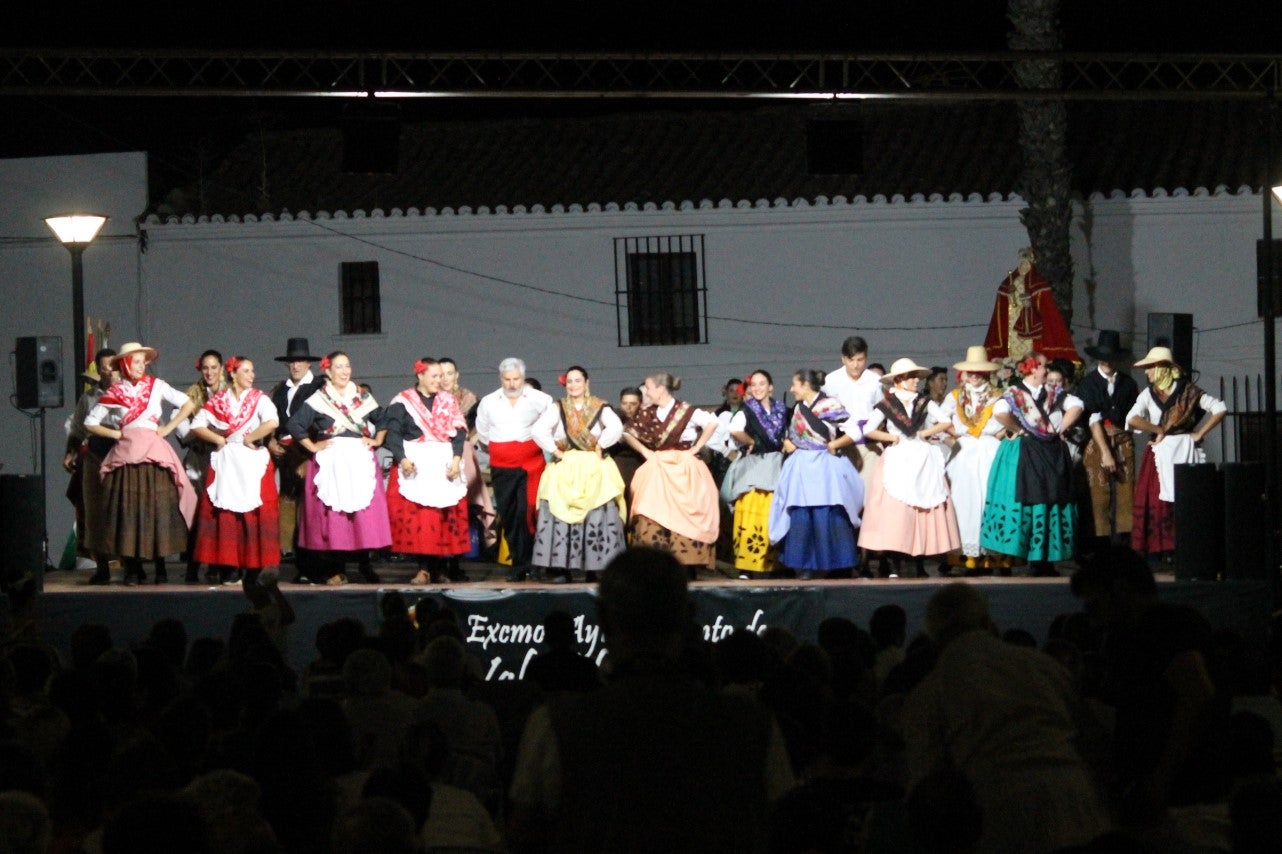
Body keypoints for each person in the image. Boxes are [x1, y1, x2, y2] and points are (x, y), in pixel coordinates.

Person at [507, 547, 795, 853]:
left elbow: (523, 837)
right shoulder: (754, 724)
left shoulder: (553, 725)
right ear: (688, 616)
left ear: (602, 620)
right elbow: (787, 833)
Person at [902, 583, 1112, 853]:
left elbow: (927, 786)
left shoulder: (929, 693)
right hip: (1077, 804)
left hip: (996, 813)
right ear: (989, 623)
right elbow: (1091, 738)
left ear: (934, 637)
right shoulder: (1042, 666)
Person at [83, 341, 198, 584]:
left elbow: (187, 404)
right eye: (135, 361)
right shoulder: (115, 392)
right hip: (126, 454)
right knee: (128, 513)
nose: (140, 366)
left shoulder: (157, 386)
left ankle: (161, 568)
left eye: (142, 361)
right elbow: (90, 422)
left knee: (159, 510)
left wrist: (167, 427)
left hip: (154, 452)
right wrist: (117, 434)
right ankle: (133, 569)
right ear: (125, 364)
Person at [286, 351, 392, 585]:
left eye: (347, 366)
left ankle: (366, 565)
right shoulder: (319, 399)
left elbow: (383, 419)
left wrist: (377, 440)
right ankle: (335, 569)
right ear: (328, 371)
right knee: (334, 517)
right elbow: (295, 424)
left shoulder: (361, 397)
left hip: (359, 458)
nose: (344, 371)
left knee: (362, 516)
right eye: (339, 367)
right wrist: (313, 446)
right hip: (331, 459)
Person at [980, 351, 1083, 575]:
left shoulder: (1053, 393)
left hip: (1049, 453)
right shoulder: (1016, 393)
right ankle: (1013, 558)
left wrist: (1058, 430)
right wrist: (1018, 429)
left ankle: (1043, 560)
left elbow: (1077, 406)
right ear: (1033, 368)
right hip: (1023, 452)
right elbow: (1000, 412)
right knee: (1022, 499)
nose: (1047, 370)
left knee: (1049, 500)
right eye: (1044, 366)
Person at [859, 358, 961, 576]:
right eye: (911, 377)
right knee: (896, 514)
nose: (916, 381)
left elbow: (945, 421)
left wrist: (924, 433)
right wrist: (890, 437)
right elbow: (868, 429)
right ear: (899, 380)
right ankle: (895, 562)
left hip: (921, 458)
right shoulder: (888, 403)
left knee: (921, 512)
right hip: (898, 458)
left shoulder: (924, 402)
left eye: (916, 377)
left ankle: (919, 563)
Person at [1126, 346, 1227, 561]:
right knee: (1156, 500)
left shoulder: (1189, 392)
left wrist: (1200, 432)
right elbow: (1132, 418)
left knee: (1185, 497)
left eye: (1150, 367)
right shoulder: (1148, 394)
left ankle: (1183, 546)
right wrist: (1158, 429)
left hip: (1183, 451)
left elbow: (1219, 408)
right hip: (1159, 453)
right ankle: (1158, 548)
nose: (1147, 372)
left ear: (1162, 368)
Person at [189, 355, 281, 587]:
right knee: (227, 516)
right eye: (246, 371)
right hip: (228, 459)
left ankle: (254, 566)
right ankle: (229, 567)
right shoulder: (219, 400)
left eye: (252, 371)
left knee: (253, 515)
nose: (252, 375)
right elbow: (197, 424)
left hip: (251, 460)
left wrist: (251, 436)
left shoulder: (259, 399)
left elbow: (272, 422)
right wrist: (219, 440)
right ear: (233, 374)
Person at [531, 365, 627, 582]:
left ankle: (594, 568)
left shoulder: (599, 406)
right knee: (560, 513)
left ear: (586, 383)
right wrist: (555, 451)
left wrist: (601, 445)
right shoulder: (558, 407)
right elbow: (538, 430)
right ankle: (562, 569)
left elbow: (616, 427)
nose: (574, 385)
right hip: (567, 464)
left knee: (596, 514)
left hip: (593, 465)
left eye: (578, 380)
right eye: (570, 381)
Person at [620, 371, 721, 573]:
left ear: (660, 388)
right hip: (658, 467)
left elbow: (712, 422)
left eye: (648, 388)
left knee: (687, 511)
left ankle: (688, 565)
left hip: (683, 467)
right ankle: (656, 562)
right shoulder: (648, 413)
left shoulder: (686, 410)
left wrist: (696, 447)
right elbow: (627, 432)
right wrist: (645, 451)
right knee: (651, 510)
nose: (646, 392)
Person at [381, 357, 470, 585]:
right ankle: (423, 568)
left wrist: (456, 459)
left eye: (441, 376)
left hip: (443, 464)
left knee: (442, 518)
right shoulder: (403, 401)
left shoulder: (448, 401)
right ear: (420, 375)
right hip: (417, 464)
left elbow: (459, 432)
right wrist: (402, 459)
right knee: (422, 521)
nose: (439, 380)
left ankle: (439, 568)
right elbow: (393, 433)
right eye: (434, 376)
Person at [768, 370, 865, 579]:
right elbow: (796, 434)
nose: (792, 389)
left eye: (795, 384)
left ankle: (839, 564)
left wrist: (835, 444)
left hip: (823, 465)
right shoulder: (799, 408)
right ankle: (805, 565)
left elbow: (855, 431)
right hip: (802, 465)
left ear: (805, 385)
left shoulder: (829, 405)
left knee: (828, 510)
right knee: (802, 512)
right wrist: (790, 443)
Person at [475, 357, 555, 579]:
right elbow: (483, 436)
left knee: (530, 511)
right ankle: (519, 564)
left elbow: (553, 426)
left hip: (532, 464)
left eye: (516, 379)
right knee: (510, 514)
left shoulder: (540, 399)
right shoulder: (489, 402)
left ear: (523, 376)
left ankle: (538, 562)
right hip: (502, 466)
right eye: (507, 379)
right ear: (501, 378)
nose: (512, 384)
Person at [940, 346, 1011, 574]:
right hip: (964, 452)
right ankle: (965, 555)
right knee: (964, 501)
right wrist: (953, 437)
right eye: (971, 372)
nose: (974, 376)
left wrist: (1000, 434)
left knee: (989, 499)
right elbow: (939, 420)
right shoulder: (955, 397)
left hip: (990, 450)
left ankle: (993, 555)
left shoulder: (999, 396)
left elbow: (1009, 422)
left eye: (979, 372)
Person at [265, 337, 329, 583]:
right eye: (292, 361)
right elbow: (272, 420)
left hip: (307, 450)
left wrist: (310, 455)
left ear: (308, 363)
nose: (296, 365)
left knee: (308, 509)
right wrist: (270, 441)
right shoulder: (280, 390)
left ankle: (310, 566)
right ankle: (291, 562)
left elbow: (321, 423)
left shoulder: (318, 387)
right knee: (286, 507)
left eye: (300, 361)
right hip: (282, 451)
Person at [1076, 332, 1141, 555]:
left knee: (1126, 491)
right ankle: (1099, 544)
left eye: (1111, 357)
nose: (1107, 361)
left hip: (1122, 438)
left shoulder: (1128, 384)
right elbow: (1092, 417)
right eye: (1103, 357)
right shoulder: (1088, 383)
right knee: (1098, 493)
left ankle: (1124, 542)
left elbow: (1134, 412)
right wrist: (1105, 451)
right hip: (1097, 439)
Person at [720, 369, 787, 577]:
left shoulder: (781, 409)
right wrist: (750, 441)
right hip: (754, 464)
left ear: (770, 387)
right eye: (754, 385)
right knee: (749, 511)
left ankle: (774, 564)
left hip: (776, 463)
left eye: (762, 384)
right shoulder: (746, 410)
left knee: (773, 513)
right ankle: (745, 566)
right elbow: (734, 429)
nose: (757, 388)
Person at [63, 348, 118, 584]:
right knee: (95, 514)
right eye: (104, 367)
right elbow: (77, 429)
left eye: (112, 366)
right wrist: (69, 453)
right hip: (95, 456)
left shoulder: (129, 393)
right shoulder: (89, 398)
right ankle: (102, 567)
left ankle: (134, 566)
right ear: (99, 370)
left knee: (123, 511)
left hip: (121, 454)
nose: (109, 372)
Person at [177, 349, 231, 584]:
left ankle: (216, 564)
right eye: (205, 368)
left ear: (221, 368)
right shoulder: (192, 394)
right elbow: (180, 425)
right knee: (197, 512)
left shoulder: (230, 392)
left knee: (219, 512)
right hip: (199, 459)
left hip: (223, 459)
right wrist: (197, 434)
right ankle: (193, 564)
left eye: (213, 367)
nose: (209, 372)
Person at [983, 247, 1080, 363]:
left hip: (1031, 326)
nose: (1023, 266)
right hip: (1012, 324)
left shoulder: (1038, 284)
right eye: (1022, 262)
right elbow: (1002, 308)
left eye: (1026, 262)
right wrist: (1010, 295)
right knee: (1013, 353)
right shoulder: (1008, 283)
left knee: (1031, 353)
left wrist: (1029, 305)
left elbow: (1046, 310)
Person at [439, 356, 496, 555]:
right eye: (441, 373)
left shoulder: (468, 398)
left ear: (456, 375)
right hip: (436, 456)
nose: (445, 378)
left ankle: (462, 553)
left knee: (464, 505)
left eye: (449, 373)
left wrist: (468, 441)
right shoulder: (430, 399)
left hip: (462, 455)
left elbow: (476, 427)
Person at [820, 335, 882, 473]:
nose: (856, 365)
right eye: (851, 360)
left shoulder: (875, 381)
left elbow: (881, 410)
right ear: (843, 359)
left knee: (868, 491)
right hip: (842, 444)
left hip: (870, 444)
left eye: (860, 360)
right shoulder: (831, 381)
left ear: (866, 358)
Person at [607, 386, 645, 511]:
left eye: (633, 404)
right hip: (617, 464)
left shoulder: (646, 422)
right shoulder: (613, 420)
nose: (628, 407)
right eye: (624, 403)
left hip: (639, 464)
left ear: (640, 404)